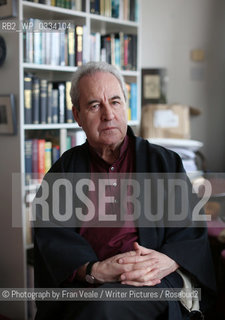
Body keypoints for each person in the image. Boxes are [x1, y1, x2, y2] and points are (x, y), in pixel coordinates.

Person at [34, 61, 216, 320]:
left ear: (126, 106)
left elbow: (190, 231)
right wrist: (93, 269)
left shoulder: (162, 162)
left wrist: (168, 261)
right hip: (92, 282)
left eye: (115, 102)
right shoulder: (65, 169)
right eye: (95, 105)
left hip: (154, 279)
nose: (108, 114)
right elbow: (52, 235)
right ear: (77, 116)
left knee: (105, 306)